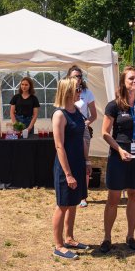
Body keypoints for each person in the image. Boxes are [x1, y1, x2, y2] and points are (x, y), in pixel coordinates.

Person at [99, 67, 135, 253]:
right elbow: (104, 133)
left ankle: (130, 236)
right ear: (123, 82)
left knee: (134, 196)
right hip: (118, 155)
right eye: (131, 79)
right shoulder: (113, 105)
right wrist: (120, 150)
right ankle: (107, 237)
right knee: (113, 198)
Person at [50, 76, 87, 259]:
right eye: (77, 89)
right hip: (66, 167)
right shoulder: (59, 114)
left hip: (78, 164)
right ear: (68, 91)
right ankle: (58, 245)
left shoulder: (78, 111)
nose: (80, 91)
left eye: (80, 88)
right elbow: (59, 146)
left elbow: (82, 139)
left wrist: (86, 162)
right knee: (63, 204)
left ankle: (70, 238)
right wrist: (68, 173)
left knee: (74, 203)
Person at [68, 66, 97, 208]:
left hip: (82, 130)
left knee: (84, 160)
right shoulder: (65, 92)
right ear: (68, 78)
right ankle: (71, 188)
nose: (77, 79)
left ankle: (83, 195)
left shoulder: (87, 93)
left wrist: (85, 123)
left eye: (79, 76)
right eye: (74, 76)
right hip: (68, 129)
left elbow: (94, 115)